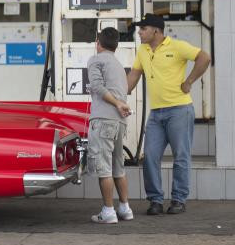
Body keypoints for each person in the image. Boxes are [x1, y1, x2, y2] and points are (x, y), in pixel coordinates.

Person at [127, 13, 211, 216]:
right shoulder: (143, 50)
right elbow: (134, 74)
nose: (139, 32)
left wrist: (189, 81)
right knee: (150, 157)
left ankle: (179, 200)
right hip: (156, 114)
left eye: (143, 29)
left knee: (181, 156)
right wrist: (117, 97)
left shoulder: (177, 46)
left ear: (156, 30)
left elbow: (204, 57)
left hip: (179, 110)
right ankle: (155, 200)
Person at [87, 27, 133, 224]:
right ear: (116, 45)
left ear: (98, 43)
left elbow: (97, 86)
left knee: (104, 168)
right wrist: (120, 104)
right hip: (119, 121)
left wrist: (116, 103)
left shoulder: (96, 60)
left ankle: (108, 211)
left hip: (103, 119)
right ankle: (125, 208)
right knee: (118, 167)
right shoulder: (118, 65)